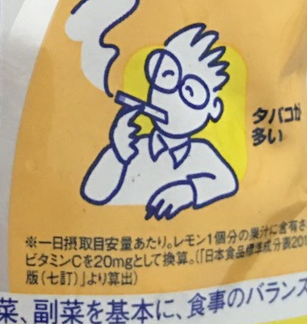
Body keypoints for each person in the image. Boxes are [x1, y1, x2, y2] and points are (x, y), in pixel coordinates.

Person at [80, 24, 238, 220]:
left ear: (214, 108)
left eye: (191, 92)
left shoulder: (202, 153)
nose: (172, 96)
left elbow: (227, 182)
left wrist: (188, 191)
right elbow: (93, 193)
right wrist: (119, 154)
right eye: (167, 75)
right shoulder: (131, 148)